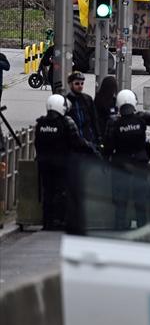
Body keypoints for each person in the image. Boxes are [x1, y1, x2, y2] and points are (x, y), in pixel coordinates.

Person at [35, 94, 97, 230]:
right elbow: (77, 142)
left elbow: (37, 144)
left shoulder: (41, 124)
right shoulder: (65, 122)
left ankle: (47, 221)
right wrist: (92, 150)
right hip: (61, 163)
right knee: (62, 191)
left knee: (47, 192)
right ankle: (60, 220)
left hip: (44, 164)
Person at [104, 90, 150, 230]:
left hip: (121, 164)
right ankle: (142, 226)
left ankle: (120, 226)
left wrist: (105, 160)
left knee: (120, 200)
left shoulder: (114, 122)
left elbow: (108, 146)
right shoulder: (140, 118)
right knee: (140, 199)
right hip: (139, 163)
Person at [65, 71, 100, 148]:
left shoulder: (87, 99)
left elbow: (94, 119)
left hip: (89, 139)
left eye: (82, 83)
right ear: (70, 85)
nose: (80, 86)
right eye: (77, 84)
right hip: (73, 142)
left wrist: (98, 137)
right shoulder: (66, 101)